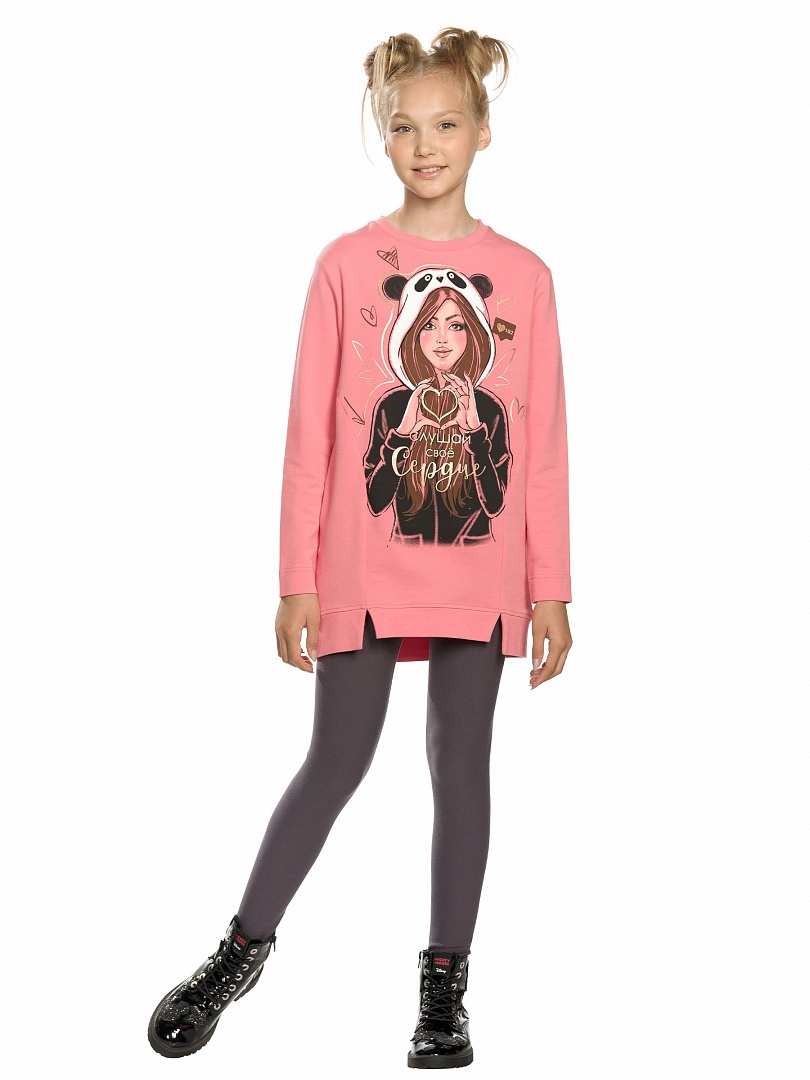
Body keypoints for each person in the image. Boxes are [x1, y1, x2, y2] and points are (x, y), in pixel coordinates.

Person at [148, 26, 573, 1070]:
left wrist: (551, 587)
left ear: (481, 133)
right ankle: (239, 953)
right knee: (336, 760)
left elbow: (545, 447)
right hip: (366, 564)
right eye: (406, 128)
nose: (426, 146)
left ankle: (444, 989)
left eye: (446, 125)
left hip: (480, 564)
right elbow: (310, 435)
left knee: (461, 767)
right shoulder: (345, 266)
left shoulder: (525, 276)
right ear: (386, 138)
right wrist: (296, 578)